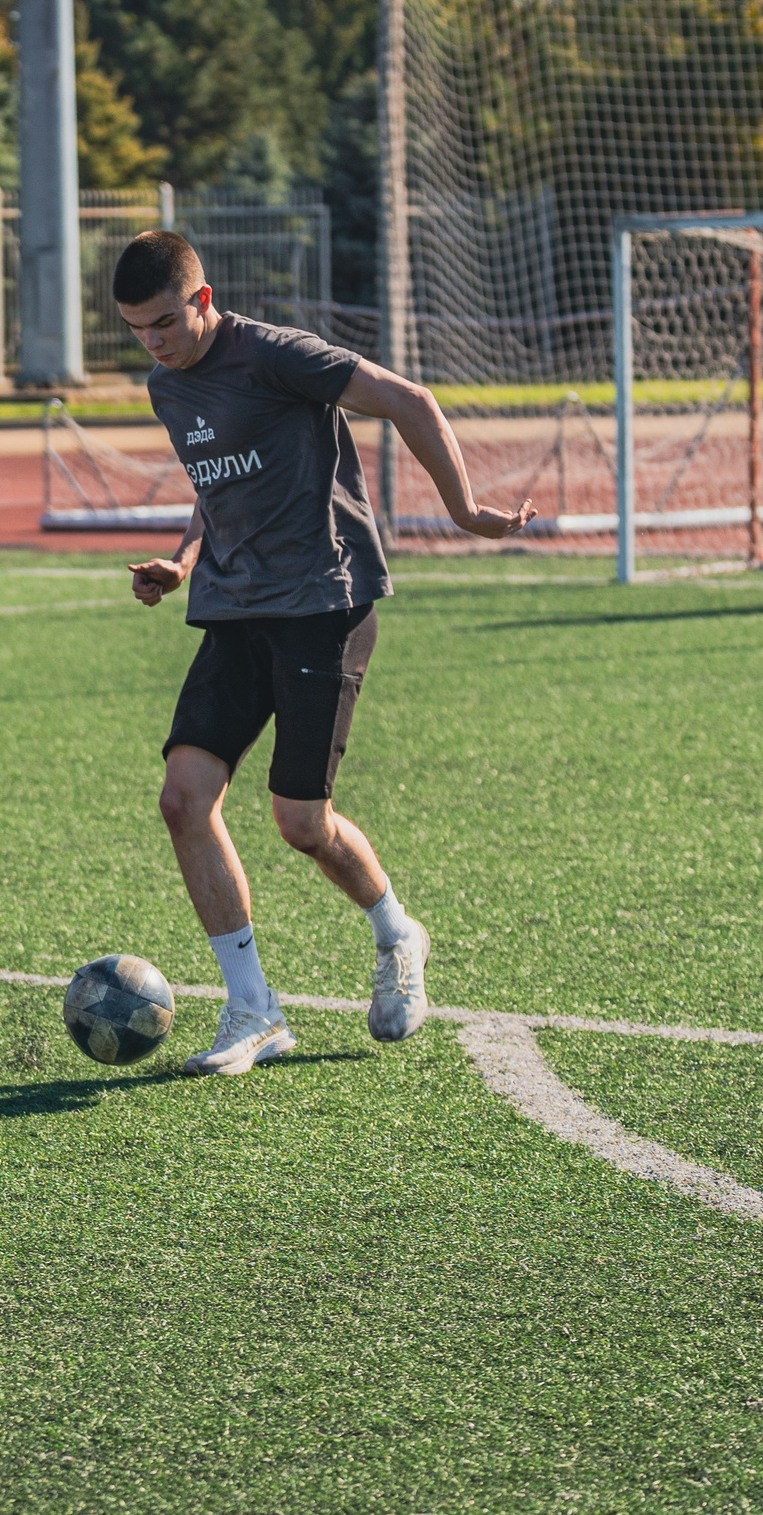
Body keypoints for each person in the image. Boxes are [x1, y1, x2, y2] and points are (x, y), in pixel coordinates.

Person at [112, 231, 533, 1074]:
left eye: (163, 322)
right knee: (183, 799)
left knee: (301, 822)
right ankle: (254, 1009)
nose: (152, 343)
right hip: (233, 608)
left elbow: (409, 398)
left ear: (202, 300)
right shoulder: (167, 386)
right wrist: (184, 563)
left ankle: (397, 931)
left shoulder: (276, 355)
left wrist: (464, 510)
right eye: (135, 330)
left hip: (322, 603)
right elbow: (216, 485)